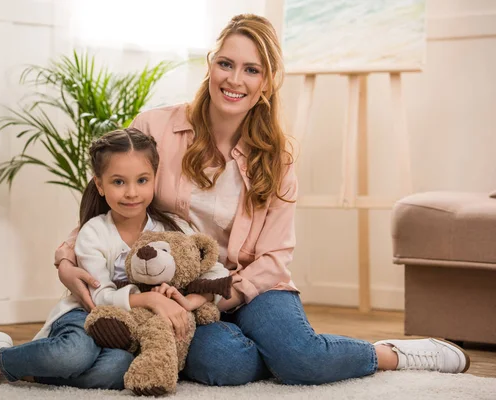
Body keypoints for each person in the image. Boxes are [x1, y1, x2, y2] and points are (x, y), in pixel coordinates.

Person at [56, 13, 471, 387]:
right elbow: (114, 201)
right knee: (224, 366)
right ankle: (276, 353)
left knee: (303, 359)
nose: (235, 80)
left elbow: (274, 257)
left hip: (252, 287)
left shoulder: (277, 157)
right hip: (173, 293)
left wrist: (209, 296)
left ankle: (391, 354)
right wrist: (65, 259)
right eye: (226, 64)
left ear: (267, 81)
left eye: (251, 70)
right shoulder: (156, 126)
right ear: (210, 64)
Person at [0, 128, 228, 388]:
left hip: (131, 331)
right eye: (118, 182)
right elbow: (98, 296)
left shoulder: (172, 229)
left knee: (117, 369)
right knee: (73, 354)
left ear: (155, 179)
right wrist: (151, 299)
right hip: (85, 314)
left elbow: (216, 273)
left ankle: (31, 371)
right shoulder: (93, 233)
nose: (131, 192)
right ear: (100, 185)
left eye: (142, 180)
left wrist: (187, 301)